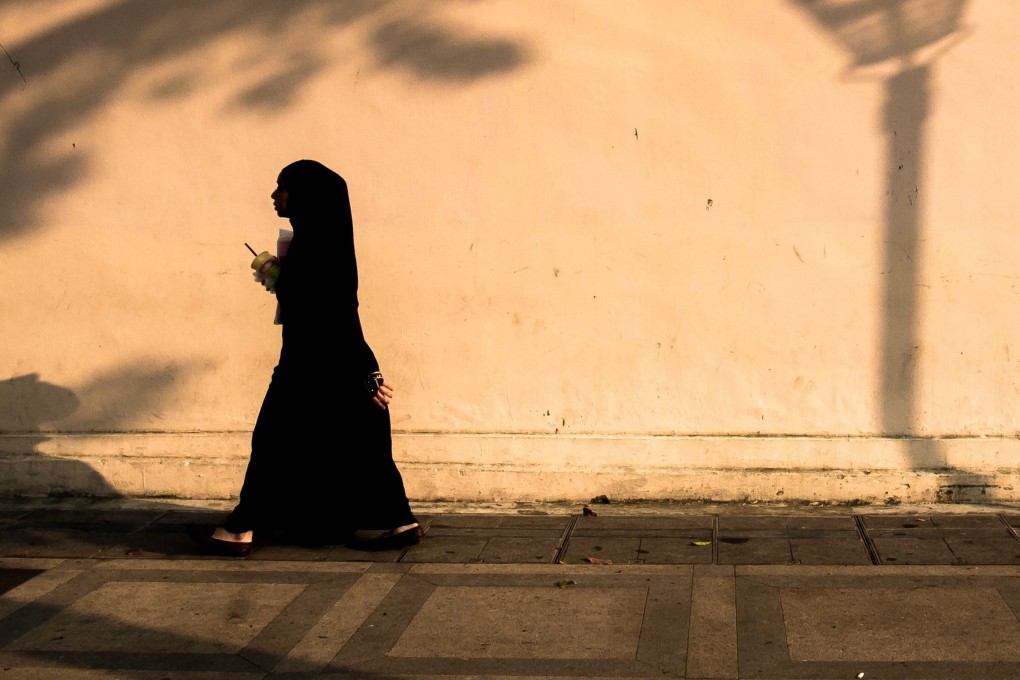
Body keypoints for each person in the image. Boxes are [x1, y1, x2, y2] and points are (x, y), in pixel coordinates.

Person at [189, 159, 422, 556]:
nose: (274, 195)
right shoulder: (322, 243)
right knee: (361, 439)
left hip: (312, 364)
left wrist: (367, 373)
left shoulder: (315, 249)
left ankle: (242, 527)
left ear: (305, 196)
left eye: (282, 187)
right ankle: (399, 519)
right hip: (332, 361)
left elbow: (335, 314)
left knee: (273, 440)